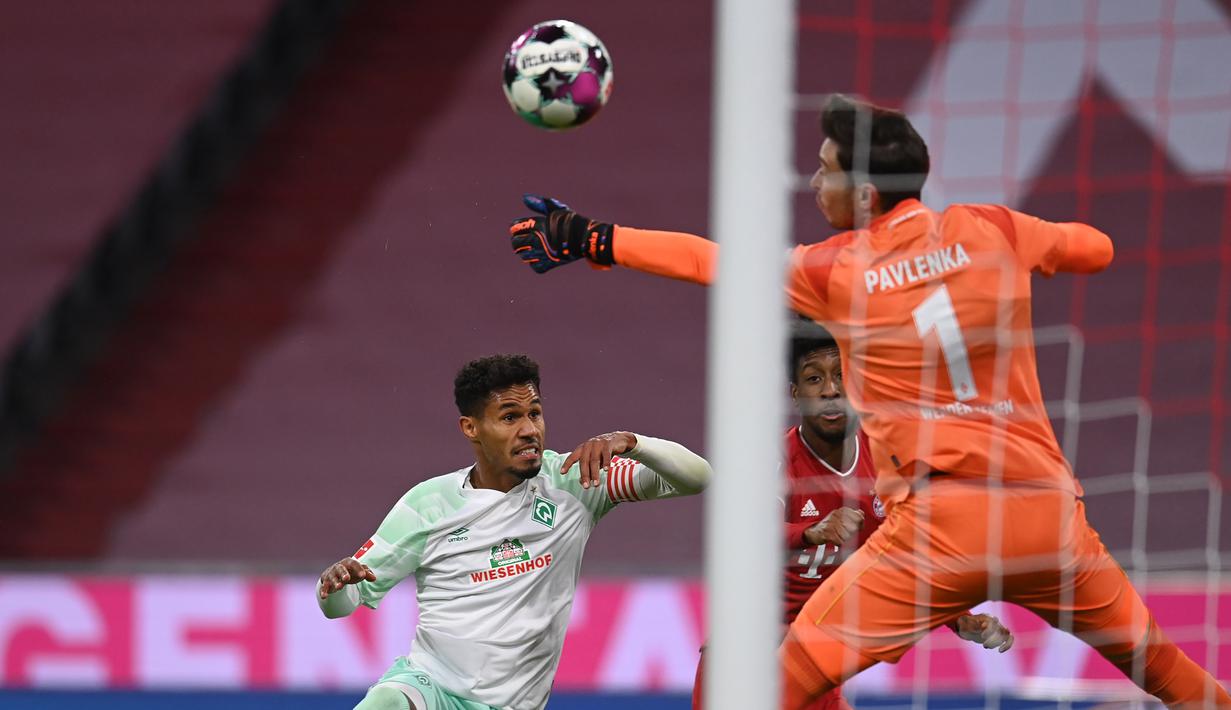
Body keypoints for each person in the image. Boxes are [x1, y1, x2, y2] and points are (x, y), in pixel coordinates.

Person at [507, 95, 1231, 708]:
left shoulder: (832, 270)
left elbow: (708, 261)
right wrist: (1036, 249)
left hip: (940, 532)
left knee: (765, 687)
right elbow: (1097, 249)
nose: (813, 181)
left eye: (823, 169)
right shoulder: (992, 229)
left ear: (860, 193)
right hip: (1047, 519)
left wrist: (590, 239)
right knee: (1170, 674)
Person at [316, 354, 711, 710]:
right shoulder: (428, 504)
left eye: (534, 413)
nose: (529, 430)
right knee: (387, 702)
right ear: (471, 428)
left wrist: (634, 442)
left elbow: (698, 478)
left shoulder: (575, 481)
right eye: (509, 417)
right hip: (432, 689)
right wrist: (332, 588)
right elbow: (343, 605)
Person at [690, 326, 1013, 710]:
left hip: (813, 658)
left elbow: (907, 560)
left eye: (841, 375)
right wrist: (810, 533)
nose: (830, 389)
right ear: (796, 394)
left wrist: (959, 619)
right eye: (814, 378)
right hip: (745, 657)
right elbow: (749, 535)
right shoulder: (770, 455)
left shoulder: (885, 463)